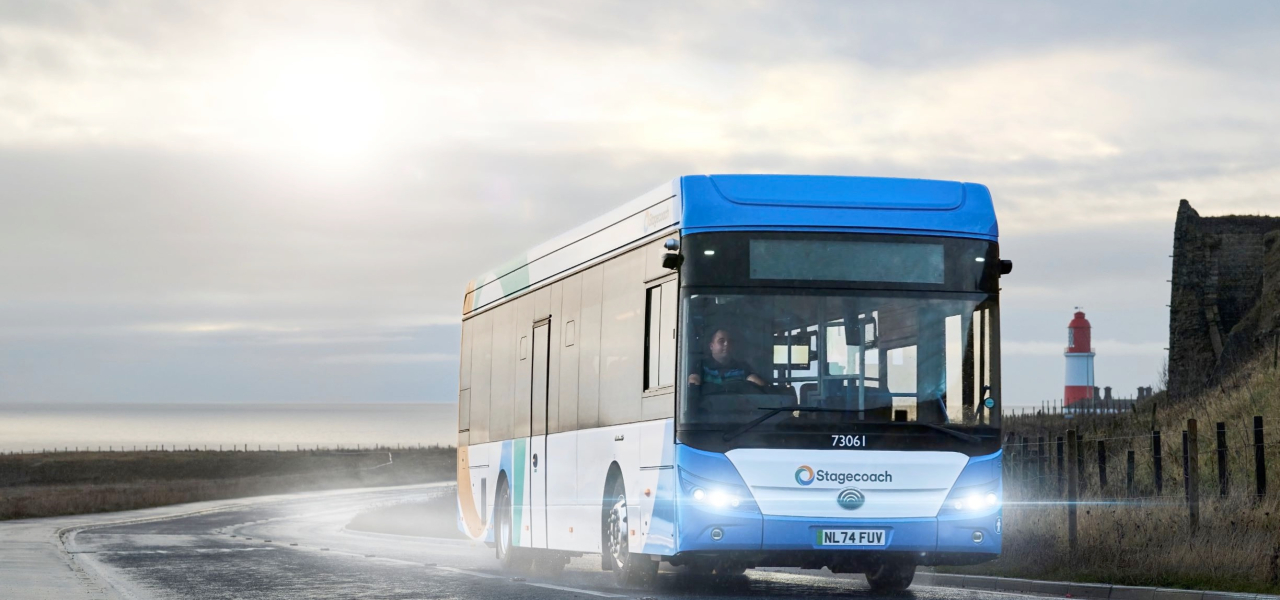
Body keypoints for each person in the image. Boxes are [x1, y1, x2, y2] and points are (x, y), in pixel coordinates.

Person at [688, 329, 766, 389]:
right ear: (711, 346)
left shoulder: (742, 367)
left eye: (730, 342)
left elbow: (760, 386)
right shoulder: (700, 366)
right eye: (721, 341)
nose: (726, 344)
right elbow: (693, 385)